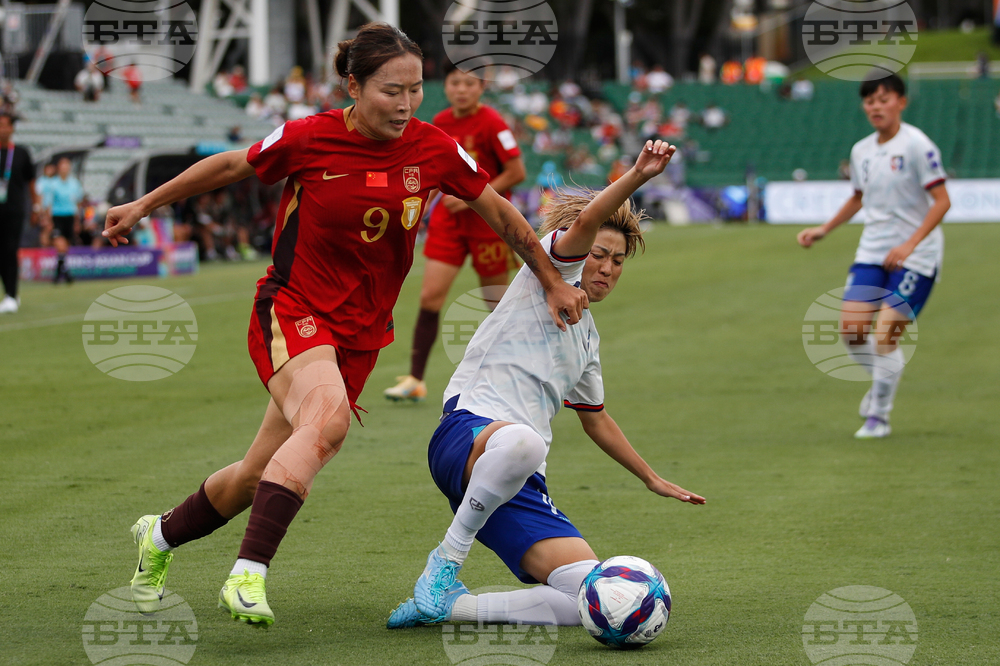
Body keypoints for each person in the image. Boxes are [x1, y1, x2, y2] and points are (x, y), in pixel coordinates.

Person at [103, 22, 587, 627]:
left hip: (360, 334)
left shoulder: (432, 147)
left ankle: (159, 537)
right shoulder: (310, 138)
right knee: (328, 421)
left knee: (258, 475)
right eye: (391, 90)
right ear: (352, 85)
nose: (406, 104)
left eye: (415, 89)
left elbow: (499, 211)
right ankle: (249, 572)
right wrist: (143, 203)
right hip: (293, 308)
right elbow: (231, 166)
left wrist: (550, 277)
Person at [386, 139, 705, 630]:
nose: (606, 267)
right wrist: (639, 175)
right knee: (526, 442)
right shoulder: (555, 268)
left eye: (618, 262)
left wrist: (651, 478)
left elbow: (596, 421)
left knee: (595, 597)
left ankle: (450, 606)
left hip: (519, 479)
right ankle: (445, 563)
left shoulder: (588, 341)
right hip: (467, 435)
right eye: (601, 253)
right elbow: (584, 222)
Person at [797, 73, 950, 439]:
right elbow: (858, 197)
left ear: (901, 101)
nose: (876, 106)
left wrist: (910, 244)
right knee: (851, 332)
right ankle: (884, 378)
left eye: (884, 99)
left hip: (916, 255)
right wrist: (824, 229)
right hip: (872, 249)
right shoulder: (862, 150)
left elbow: (943, 201)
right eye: (869, 101)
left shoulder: (918, 145)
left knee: (884, 338)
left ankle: (878, 413)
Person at [384, 62, 526, 402]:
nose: (461, 89)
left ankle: (514, 377)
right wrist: (419, 210)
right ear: (445, 87)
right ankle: (416, 379)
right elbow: (431, 173)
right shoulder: (441, 123)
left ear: (480, 88)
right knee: (430, 298)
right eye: (454, 83)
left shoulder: (492, 122)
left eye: (468, 83)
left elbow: (516, 171)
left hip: (487, 224)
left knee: (498, 305)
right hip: (449, 225)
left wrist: (474, 196)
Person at [0, 112, 38, 314]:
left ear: (12, 128)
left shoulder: (21, 153)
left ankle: (12, 296)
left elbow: (31, 184)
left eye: (5, 125)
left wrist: (36, 208)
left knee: (9, 250)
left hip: (14, 210)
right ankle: (8, 295)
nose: (2, 129)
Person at [48, 157, 84, 284]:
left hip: (70, 217)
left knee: (65, 247)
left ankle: (61, 272)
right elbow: (48, 204)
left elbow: (78, 204)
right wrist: (48, 221)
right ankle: (65, 274)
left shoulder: (75, 184)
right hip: (57, 216)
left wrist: (77, 221)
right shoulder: (53, 184)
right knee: (60, 244)